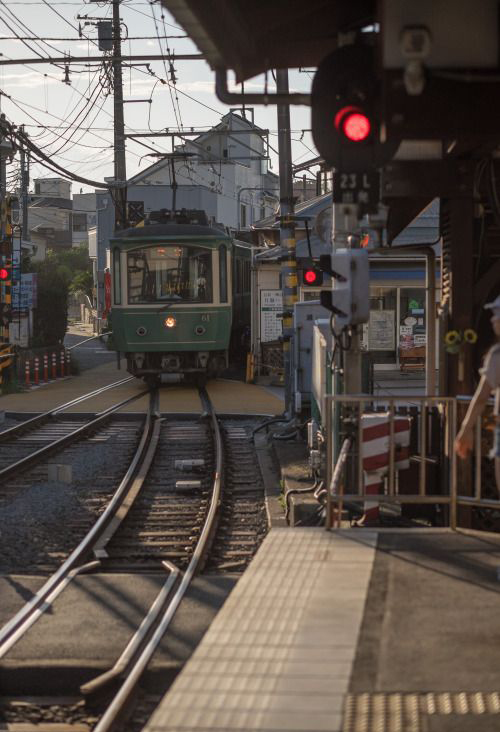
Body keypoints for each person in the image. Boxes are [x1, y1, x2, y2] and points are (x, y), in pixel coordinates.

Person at [455, 295, 500, 492]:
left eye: (497, 315)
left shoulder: (497, 356)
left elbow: (482, 396)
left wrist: (466, 428)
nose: (492, 319)